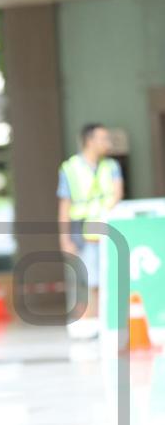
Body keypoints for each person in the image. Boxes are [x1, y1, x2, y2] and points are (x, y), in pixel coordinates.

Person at [57, 123, 123, 334]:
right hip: (83, 233)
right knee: (90, 280)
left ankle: (106, 324)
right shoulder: (70, 168)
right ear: (89, 141)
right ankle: (91, 324)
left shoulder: (111, 166)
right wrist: (64, 239)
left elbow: (117, 194)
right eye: (103, 138)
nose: (108, 143)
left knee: (107, 279)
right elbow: (65, 205)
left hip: (107, 231)